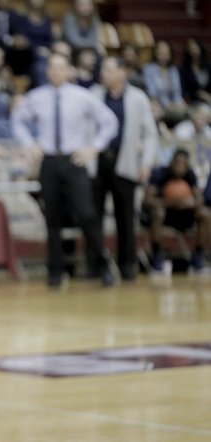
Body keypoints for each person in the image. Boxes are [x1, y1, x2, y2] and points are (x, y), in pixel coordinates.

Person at [12, 53, 118, 287]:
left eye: (61, 67)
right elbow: (18, 119)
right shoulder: (37, 97)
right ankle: (55, 273)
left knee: (87, 214)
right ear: (47, 71)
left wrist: (94, 147)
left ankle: (102, 264)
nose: (56, 72)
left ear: (69, 70)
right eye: (52, 67)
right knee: (52, 218)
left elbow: (109, 121)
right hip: (49, 162)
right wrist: (28, 144)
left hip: (75, 161)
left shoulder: (82, 96)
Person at [90, 56, 159, 281]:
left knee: (126, 217)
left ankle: (127, 265)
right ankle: (96, 265)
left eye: (109, 69)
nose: (104, 73)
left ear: (122, 73)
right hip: (98, 163)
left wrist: (146, 163)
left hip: (126, 162)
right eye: (103, 69)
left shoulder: (138, 98)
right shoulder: (94, 94)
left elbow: (150, 133)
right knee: (94, 217)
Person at [141, 149, 210, 273]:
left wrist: (191, 203)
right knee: (157, 212)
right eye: (177, 162)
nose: (180, 166)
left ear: (187, 165)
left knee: (205, 214)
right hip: (166, 215)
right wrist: (170, 202)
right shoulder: (159, 173)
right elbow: (147, 200)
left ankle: (198, 256)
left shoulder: (190, 174)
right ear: (171, 162)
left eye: (183, 164)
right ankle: (157, 256)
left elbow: (199, 199)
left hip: (185, 214)